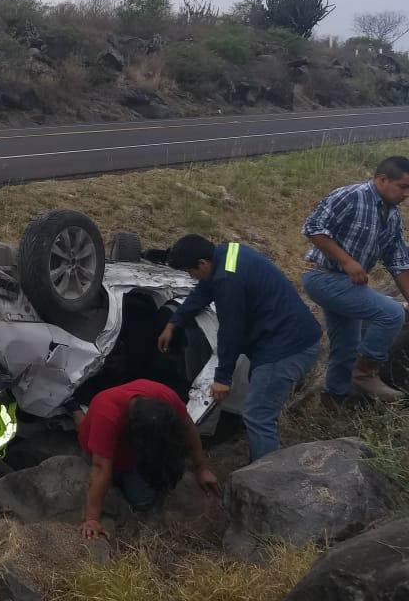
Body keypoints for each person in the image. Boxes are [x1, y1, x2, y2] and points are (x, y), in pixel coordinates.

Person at [159, 235, 323, 461]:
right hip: (291, 337)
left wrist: (222, 378)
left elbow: (231, 331)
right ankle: (261, 458)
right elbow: (204, 291)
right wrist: (174, 322)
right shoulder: (226, 253)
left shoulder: (228, 281)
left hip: (288, 349)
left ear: (202, 264)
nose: (192, 278)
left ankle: (265, 482)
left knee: (258, 416)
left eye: (191, 272)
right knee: (259, 410)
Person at [301, 157, 409, 404]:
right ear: (382, 180)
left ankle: (334, 401)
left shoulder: (391, 215)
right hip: (322, 276)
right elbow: (313, 227)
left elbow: (399, 261)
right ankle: (365, 373)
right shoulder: (351, 196)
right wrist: (347, 261)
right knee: (392, 313)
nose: (407, 194)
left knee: (346, 348)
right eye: (403, 187)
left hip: (349, 285)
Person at [76, 379, 219, 540]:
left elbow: (188, 427)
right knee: (131, 493)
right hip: (105, 453)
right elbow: (100, 467)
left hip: (138, 453)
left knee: (143, 500)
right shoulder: (107, 414)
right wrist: (92, 519)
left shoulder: (165, 396)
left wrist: (201, 468)